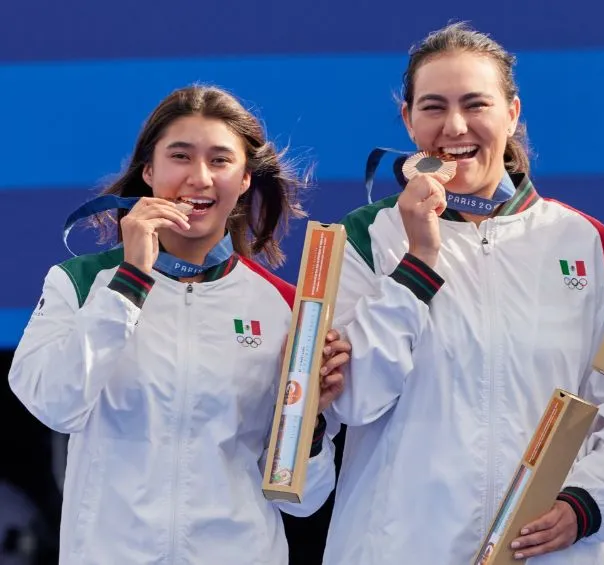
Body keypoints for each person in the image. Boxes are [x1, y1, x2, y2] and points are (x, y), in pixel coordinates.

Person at [319, 22, 604, 564]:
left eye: (476, 104)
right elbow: (354, 399)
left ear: (512, 113)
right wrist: (418, 263)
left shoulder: (594, 249)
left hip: (546, 552)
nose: (454, 127)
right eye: (432, 107)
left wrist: (588, 505)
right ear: (406, 119)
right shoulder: (361, 238)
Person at [7, 85, 350, 564]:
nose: (199, 178)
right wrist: (130, 282)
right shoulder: (81, 283)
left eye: (220, 160)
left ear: (246, 178)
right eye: (181, 157)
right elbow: (54, 405)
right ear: (150, 171)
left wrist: (306, 421)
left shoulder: (284, 307)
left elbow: (305, 499)